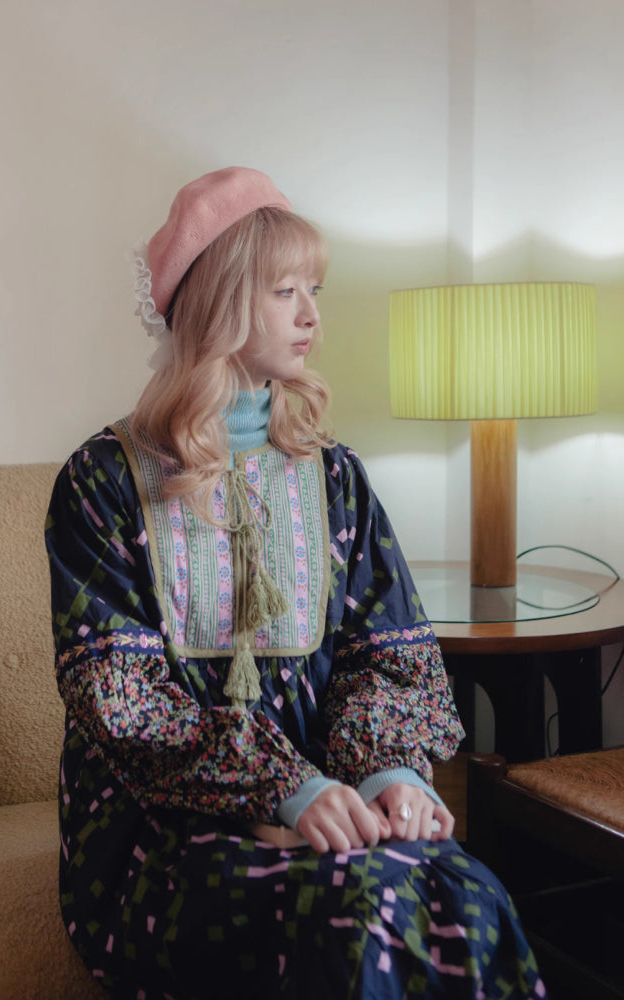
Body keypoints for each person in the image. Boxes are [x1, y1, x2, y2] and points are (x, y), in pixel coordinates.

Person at [45, 166, 544, 999]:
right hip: (160, 835)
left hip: (332, 809)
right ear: (220, 303)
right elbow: (121, 702)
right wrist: (283, 789)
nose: (312, 314)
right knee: (359, 914)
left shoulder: (335, 477)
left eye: (314, 289)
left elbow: (386, 656)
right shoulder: (101, 483)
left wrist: (391, 778)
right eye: (286, 292)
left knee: (471, 895)